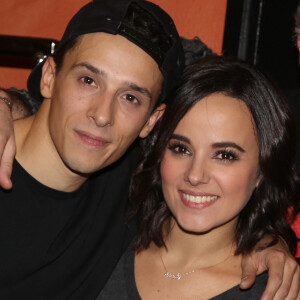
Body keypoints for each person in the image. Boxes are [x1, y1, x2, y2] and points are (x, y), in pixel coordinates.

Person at [0, 1, 298, 299]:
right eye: (88, 80)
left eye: (130, 97)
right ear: (49, 77)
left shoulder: (126, 187)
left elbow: (222, 80)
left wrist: (266, 242)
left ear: (151, 120)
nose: (102, 115)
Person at [98, 55, 300, 299]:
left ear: (261, 171)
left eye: (225, 155)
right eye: (181, 149)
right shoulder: (102, 247)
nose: (195, 175)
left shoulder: (280, 290)